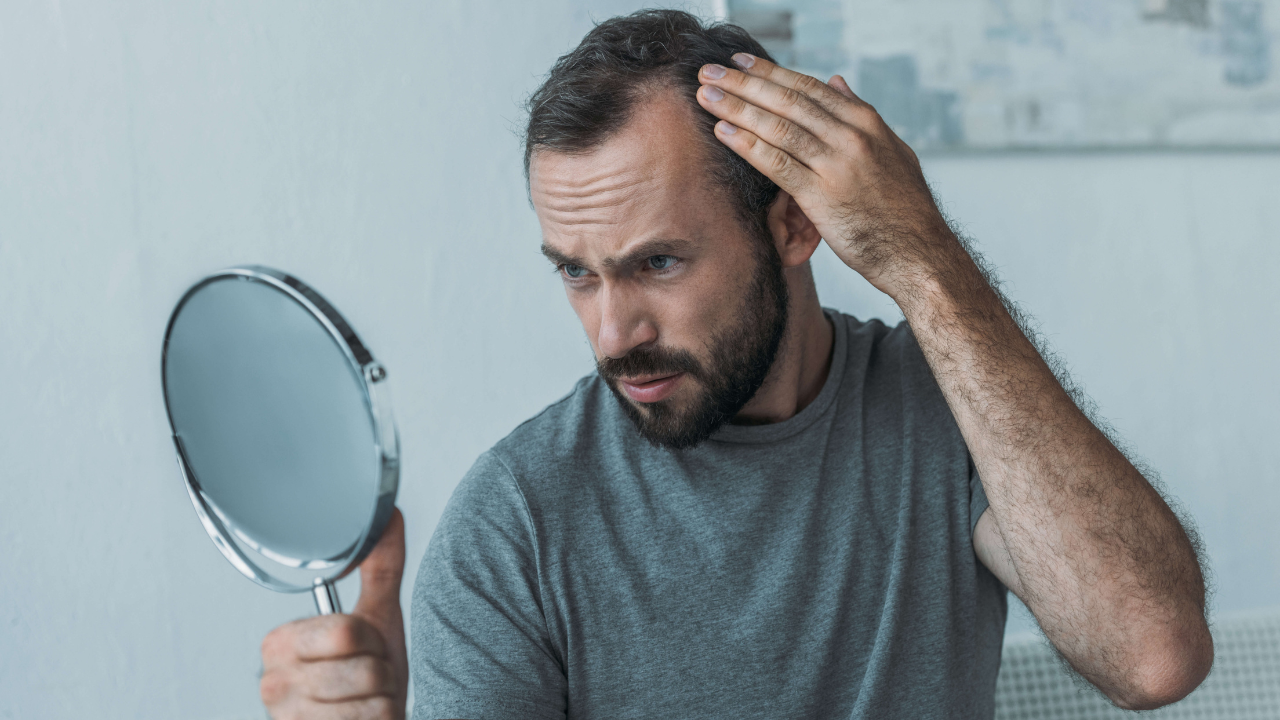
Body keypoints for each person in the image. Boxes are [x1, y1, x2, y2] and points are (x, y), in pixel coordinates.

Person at [257, 10, 1213, 720]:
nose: (611, 333)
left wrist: (924, 261)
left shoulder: (947, 415)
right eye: (577, 275)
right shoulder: (516, 522)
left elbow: (1154, 655)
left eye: (658, 263)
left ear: (794, 223)